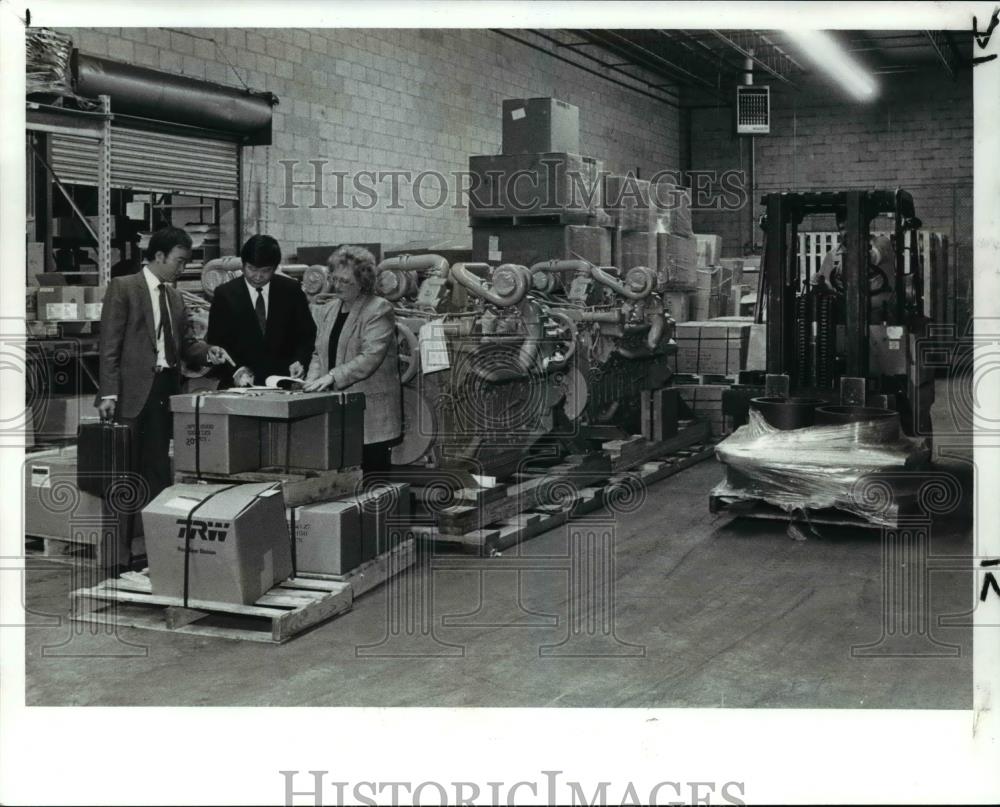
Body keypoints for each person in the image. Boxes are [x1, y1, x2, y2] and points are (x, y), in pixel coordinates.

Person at [96, 226, 228, 569]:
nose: (182, 268)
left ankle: (161, 554)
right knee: (121, 477)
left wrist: (209, 351)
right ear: (158, 256)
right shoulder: (123, 288)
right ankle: (115, 559)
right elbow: (109, 345)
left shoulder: (175, 298)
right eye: (179, 261)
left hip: (162, 394)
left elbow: (186, 346)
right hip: (127, 396)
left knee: (157, 475)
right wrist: (108, 393)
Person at [303, 245, 402, 474]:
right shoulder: (328, 309)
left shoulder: (379, 309)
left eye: (345, 282)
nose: (337, 286)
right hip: (338, 408)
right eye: (335, 279)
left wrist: (331, 377)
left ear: (363, 281)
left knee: (372, 482)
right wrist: (309, 383)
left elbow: (370, 357)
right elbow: (319, 352)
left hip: (371, 413)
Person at [206, 234, 317, 387]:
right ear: (243, 265)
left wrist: (300, 361)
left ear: (275, 268)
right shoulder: (224, 295)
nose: (258, 276)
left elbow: (307, 336)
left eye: (266, 271)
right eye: (252, 269)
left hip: (282, 383)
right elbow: (215, 344)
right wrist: (235, 371)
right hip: (238, 385)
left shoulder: (291, 290)